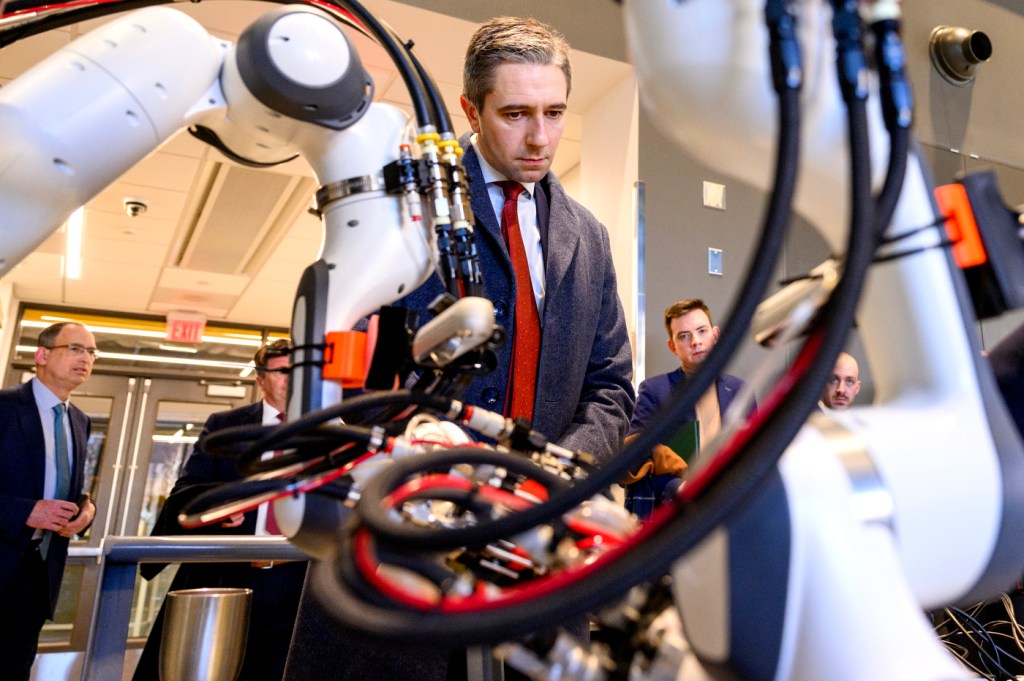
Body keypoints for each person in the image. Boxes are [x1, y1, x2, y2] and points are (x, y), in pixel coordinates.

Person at [283, 16, 635, 681]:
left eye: (555, 112)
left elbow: (612, 383)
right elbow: (343, 358)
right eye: (516, 113)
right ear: (471, 109)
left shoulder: (587, 237)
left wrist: (558, 473)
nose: (540, 136)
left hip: (537, 545)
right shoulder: (404, 204)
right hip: (405, 541)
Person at [133, 339, 307, 681]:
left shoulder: (325, 430)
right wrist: (221, 504)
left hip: (297, 580)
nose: (292, 378)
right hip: (232, 573)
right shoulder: (226, 426)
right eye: (282, 371)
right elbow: (185, 494)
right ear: (260, 379)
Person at [0, 321, 98, 680]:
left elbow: (72, 488)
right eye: (75, 348)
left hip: (39, 572)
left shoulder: (79, 421)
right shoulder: (6, 407)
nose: (85, 358)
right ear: (42, 355)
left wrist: (87, 510)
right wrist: (27, 511)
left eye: (91, 352)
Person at [623, 299, 750, 518]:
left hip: (734, 508)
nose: (695, 341)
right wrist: (678, 488)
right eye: (684, 336)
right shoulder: (654, 390)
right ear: (672, 346)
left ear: (715, 335)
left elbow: (753, 451)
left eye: (702, 331)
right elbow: (636, 457)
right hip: (678, 513)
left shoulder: (740, 390)